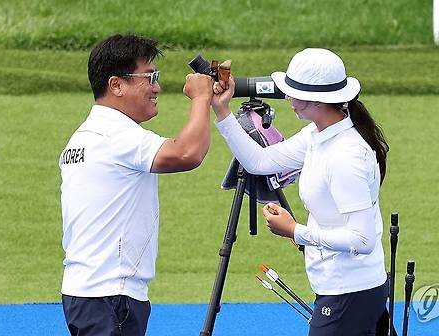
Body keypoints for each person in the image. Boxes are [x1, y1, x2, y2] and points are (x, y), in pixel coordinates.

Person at [211, 48, 390, 335]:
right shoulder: (317, 134)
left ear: (317, 100)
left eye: (292, 92)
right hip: (341, 288)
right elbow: (260, 161)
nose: (287, 98)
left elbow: (363, 239)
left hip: (351, 291)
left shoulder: (346, 155)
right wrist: (222, 112)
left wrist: (295, 231)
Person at [59, 34, 215, 335]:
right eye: (150, 77)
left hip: (92, 292)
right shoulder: (113, 134)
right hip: (110, 295)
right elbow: (187, 152)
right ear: (116, 85)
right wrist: (201, 98)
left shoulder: (86, 135)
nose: (157, 87)